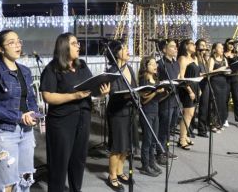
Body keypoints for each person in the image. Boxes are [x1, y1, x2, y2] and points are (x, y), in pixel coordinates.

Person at [40, 32, 110, 192]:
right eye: (74, 43)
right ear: (64, 47)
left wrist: (102, 92)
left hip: (83, 118)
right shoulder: (53, 68)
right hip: (61, 122)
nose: (78, 46)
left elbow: (91, 90)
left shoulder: (82, 65)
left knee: (78, 161)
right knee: (59, 163)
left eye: (78, 43)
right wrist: (74, 96)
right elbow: (48, 96)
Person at [0, 30, 41, 192]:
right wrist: (20, 117)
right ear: (1, 49)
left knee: (25, 179)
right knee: (7, 183)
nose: (17, 45)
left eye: (19, 41)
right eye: (11, 42)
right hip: (4, 132)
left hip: (26, 132)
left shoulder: (25, 71)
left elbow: (30, 99)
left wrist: (33, 114)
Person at [106, 39, 136, 192]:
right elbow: (113, 94)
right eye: (124, 48)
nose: (127, 50)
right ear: (116, 53)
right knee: (117, 146)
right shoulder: (112, 71)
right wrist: (129, 95)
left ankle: (119, 171)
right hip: (117, 112)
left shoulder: (129, 68)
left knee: (126, 146)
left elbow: (135, 87)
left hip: (130, 110)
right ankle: (112, 176)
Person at [138, 56, 163, 177]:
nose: (155, 66)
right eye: (152, 64)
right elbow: (144, 100)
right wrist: (155, 93)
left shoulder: (156, 78)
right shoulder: (143, 80)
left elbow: (158, 98)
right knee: (147, 140)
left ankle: (152, 162)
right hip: (146, 112)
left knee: (154, 140)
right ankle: (145, 165)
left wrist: (165, 92)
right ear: (145, 66)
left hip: (155, 111)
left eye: (155, 64)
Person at [156, 39, 180, 164]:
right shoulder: (159, 64)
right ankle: (160, 152)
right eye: (172, 47)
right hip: (165, 101)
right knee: (163, 127)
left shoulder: (176, 64)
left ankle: (165, 149)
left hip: (175, 99)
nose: (176, 48)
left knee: (170, 127)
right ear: (164, 50)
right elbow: (156, 83)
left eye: (176, 47)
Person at [177, 39, 200, 150]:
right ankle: (181, 139)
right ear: (186, 46)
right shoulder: (182, 58)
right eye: (192, 43)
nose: (194, 45)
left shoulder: (194, 58)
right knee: (188, 114)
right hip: (186, 88)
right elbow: (181, 77)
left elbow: (197, 75)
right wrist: (190, 91)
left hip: (195, 87)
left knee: (191, 114)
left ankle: (185, 136)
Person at [224, 38, 238, 129]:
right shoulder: (223, 54)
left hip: (236, 78)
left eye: (233, 43)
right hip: (226, 78)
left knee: (237, 99)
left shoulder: (236, 54)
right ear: (226, 44)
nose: (231, 45)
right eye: (229, 43)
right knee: (225, 99)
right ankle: (225, 119)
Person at [208, 42, 229, 131]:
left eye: (222, 48)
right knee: (215, 103)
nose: (222, 49)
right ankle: (213, 123)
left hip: (224, 82)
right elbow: (209, 71)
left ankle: (219, 123)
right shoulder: (212, 59)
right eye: (220, 47)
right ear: (214, 49)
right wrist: (219, 69)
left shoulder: (224, 59)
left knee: (222, 104)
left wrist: (230, 70)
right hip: (215, 82)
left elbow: (227, 69)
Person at [195, 39, 210, 137]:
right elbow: (195, 73)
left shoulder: (204, 59)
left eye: (205, 46)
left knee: (205, 107)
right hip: (199, 84)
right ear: (197, 47)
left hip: (206, 84)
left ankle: (203, 127)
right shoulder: (196, 58)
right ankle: (200, 129)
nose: (204, 48)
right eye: (202, 45)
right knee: (198, 108)